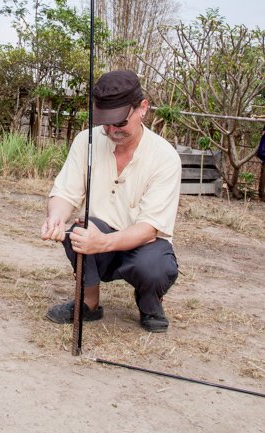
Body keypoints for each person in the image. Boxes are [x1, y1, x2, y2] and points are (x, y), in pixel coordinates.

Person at [41, 70, 181, 333]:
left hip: (145, 244)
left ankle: (150, 303)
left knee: (154, 267)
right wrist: (56, 216)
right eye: (105, 123)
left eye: (119, 122)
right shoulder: (87, 141)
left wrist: (103, 242)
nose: (112, 130)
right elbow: (65, 193)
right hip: (98, 235)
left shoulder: (166, 157)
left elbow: (151, 227)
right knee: (79, 232)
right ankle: (88, 303)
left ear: (142, 109)